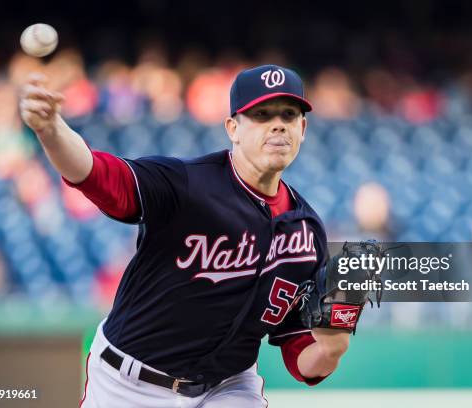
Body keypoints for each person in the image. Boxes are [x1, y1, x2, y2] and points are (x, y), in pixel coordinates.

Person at [19, 64, 351, 408]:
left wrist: (330, 348)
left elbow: (300, 355)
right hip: (130, 385)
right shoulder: (186, 184)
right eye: (262, 114)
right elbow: (98, 174)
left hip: (228, 386)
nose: (278, 124)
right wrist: (51, 131)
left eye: (289, 114)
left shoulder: (307, 231)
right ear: (233, 128)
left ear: (303, 128)